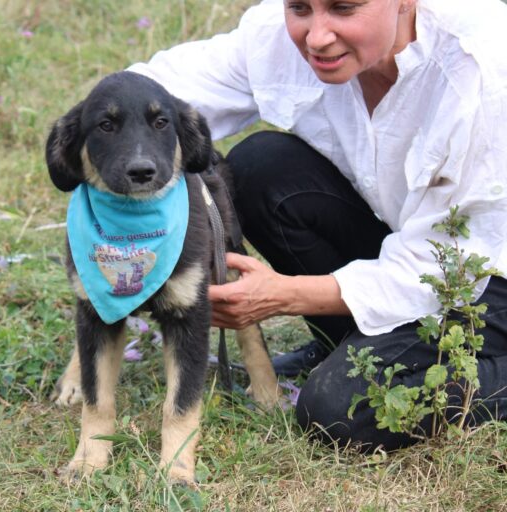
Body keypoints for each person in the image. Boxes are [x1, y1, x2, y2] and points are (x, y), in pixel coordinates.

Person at [128, 0, 507, 450]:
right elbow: (153, 92)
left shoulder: (481, 71)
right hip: (413, 241)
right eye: (300, 7)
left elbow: (452, 267)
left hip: (483, 274)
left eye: (344, 7)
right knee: (260, 167)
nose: (317, 37)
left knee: (340, 410)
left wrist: (283, 296)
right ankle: (348, 340)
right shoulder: (284, 39)